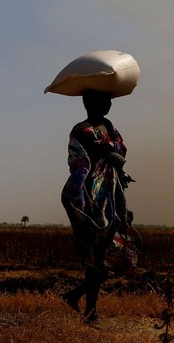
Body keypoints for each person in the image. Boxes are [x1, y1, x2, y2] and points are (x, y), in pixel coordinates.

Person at [60, 89, 134, 323]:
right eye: (101, 101)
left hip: (113, 195)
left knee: (116, 253)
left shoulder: (111, 129)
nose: (106, 105)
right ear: (87, 103)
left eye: (108, 101)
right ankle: (90, 312)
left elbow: (118, 156)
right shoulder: (81, 130)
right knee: (97, 253)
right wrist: (85, 197)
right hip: (92, 193)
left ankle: (75, 296)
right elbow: (78, 166)